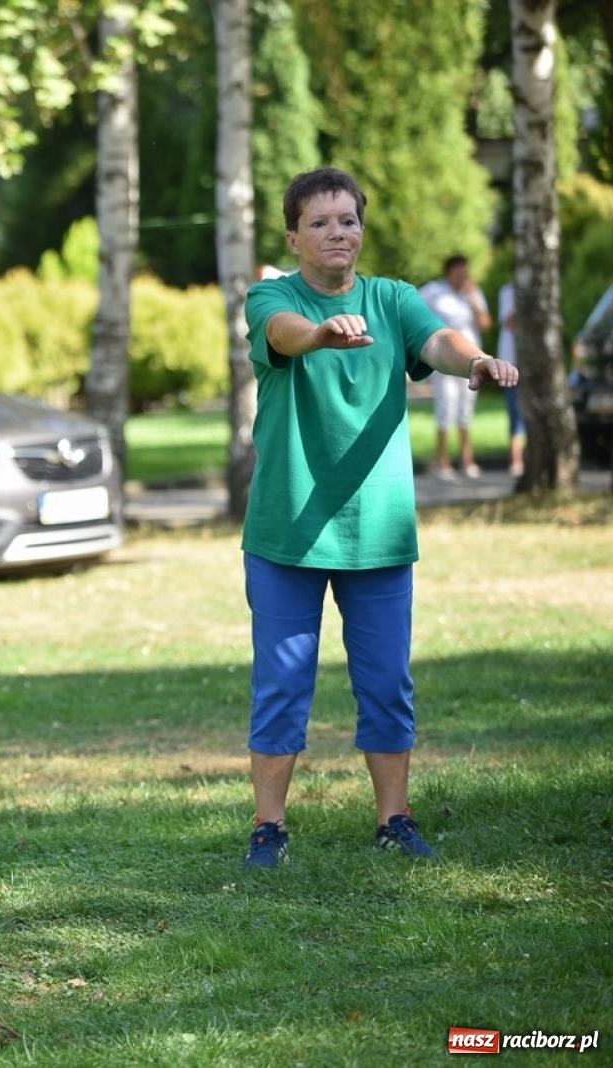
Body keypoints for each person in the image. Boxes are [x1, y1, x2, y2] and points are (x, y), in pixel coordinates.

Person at [238, 168, 517, 869]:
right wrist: (323, 334)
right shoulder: (271, 294)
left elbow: (436, 341)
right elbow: (284, 333)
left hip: (379, 531)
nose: (339, 233)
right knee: (281, 683)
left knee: (387, 681)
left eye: (349, 220)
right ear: (293, 235)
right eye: (323, 222)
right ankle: (268, 828)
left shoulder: (392, 298)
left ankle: (394, 818)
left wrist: (476, 360)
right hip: (287, 533)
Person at [418, 255, 493, 479]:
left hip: (472, 363)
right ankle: (442, 461)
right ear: (448, 272)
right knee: (446, 406)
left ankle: (467, 459)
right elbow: (416, 314)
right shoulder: (434, 292)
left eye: (465, 272)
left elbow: (485, 324)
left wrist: (473, 299)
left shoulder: (472, 293)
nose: (462, 276)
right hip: (445, 361)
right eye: (458, 272)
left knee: (465, 409)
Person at [496, 280, 526, 476]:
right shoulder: (509, 290)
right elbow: (509, 321)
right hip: (512, 362)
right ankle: (517, 460)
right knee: (515, 413)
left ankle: (525, 458)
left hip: (531, 363)